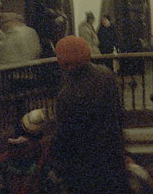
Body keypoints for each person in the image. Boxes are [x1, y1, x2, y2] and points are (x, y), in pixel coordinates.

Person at [51, 35, 130, 194]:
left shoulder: (67, 95)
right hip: (113, 158)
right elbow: (118, 116)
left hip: (84, 169)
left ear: (62, 61)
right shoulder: (106, 75)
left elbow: (66, 136)